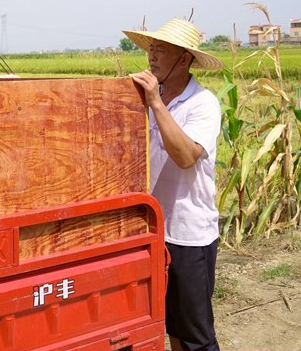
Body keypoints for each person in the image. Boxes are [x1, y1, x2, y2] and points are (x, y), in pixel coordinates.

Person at [123, 18, 223, 351]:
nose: (152, 57)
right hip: (151, 230)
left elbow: (184, 156)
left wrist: (155, 102)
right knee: (170, 327)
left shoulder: (203, 104)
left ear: (184, 60)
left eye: (161, 51)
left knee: (196, 336)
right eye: (151, 48)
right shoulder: (146, 98)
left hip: (188, 234)